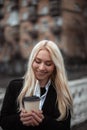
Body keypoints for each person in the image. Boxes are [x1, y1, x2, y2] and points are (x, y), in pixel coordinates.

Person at [0, 40, 73, 130]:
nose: (42, 68)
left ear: (55, 66)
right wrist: (21, 119)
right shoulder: (15, 86)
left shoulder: (61, 92)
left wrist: (42, 120)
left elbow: (65, 127)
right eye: (38, 61)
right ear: (32, 61)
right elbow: (3, 121)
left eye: (48, 64)